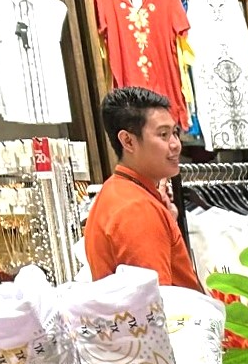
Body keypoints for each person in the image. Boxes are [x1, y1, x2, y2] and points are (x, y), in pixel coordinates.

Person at [85, 86, 201, 290]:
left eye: (175, 133)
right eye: (163, 134)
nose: (176, 144)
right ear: (128, 141)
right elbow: (156, 301)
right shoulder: (136, 208)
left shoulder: (116, 192)